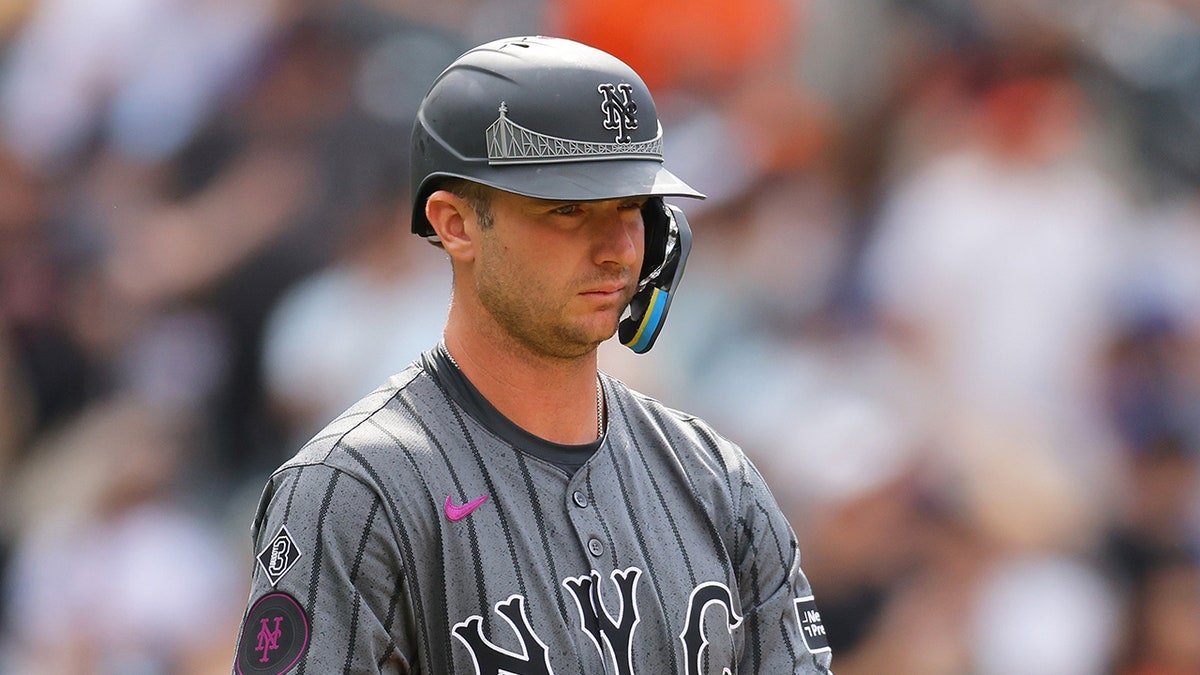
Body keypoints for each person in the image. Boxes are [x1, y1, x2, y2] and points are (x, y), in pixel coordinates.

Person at [231, 35, 833, 674]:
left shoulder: (716, 481)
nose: (618, 249)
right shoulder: (352, 491)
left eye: (631, 208)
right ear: (455, 224)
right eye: (569, 210)